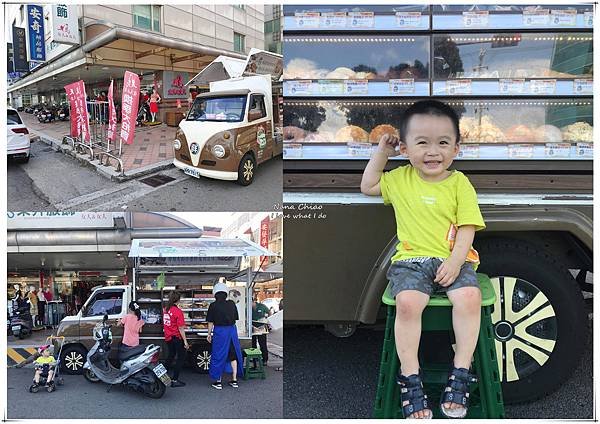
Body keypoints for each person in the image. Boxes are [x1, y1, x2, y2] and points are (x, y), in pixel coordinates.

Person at [360, 100, 485, 419]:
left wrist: (456, 262)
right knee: (407, 304)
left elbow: (468, 226)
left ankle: (461, 371)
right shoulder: (400, 178)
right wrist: (382, 153)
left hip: (453, 259)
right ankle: (410, 377)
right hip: (411, 262)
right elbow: (368, 185)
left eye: (443, 143)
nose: (433, 151)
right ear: (405, 148)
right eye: (422, 143)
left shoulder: (460, 183)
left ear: (456, 148)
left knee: (470, 298)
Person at [207, 282, 244, 390]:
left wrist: (209, 334)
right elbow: (236, 319)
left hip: (220, 332)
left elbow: (210, 322)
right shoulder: (232, 304)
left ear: (215, 294)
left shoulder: (213, 305)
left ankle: (218, 382)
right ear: (226, 293)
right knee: (233, 355)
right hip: (232, 331)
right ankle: (234, 380)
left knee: (218, 355)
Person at [163, 291, 189, 387]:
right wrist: (185, 342)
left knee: (171, 356)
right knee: (181, 358)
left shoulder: (166, 309)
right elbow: (181, 328)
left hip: (168, 337)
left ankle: (162, 376)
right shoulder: (178, 311)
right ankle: (174, 379)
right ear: (178, 300)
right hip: (177, 337)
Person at [251, 298, 271, 368]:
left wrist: (266, 319)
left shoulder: (262, 306)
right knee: (253, 344)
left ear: (253, 301)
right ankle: (254, 358)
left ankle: (265, 359)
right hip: (253, 328)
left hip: (262, 327)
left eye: (251, 303)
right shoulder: (247, 308)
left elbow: (269, 313)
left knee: (262, 344)